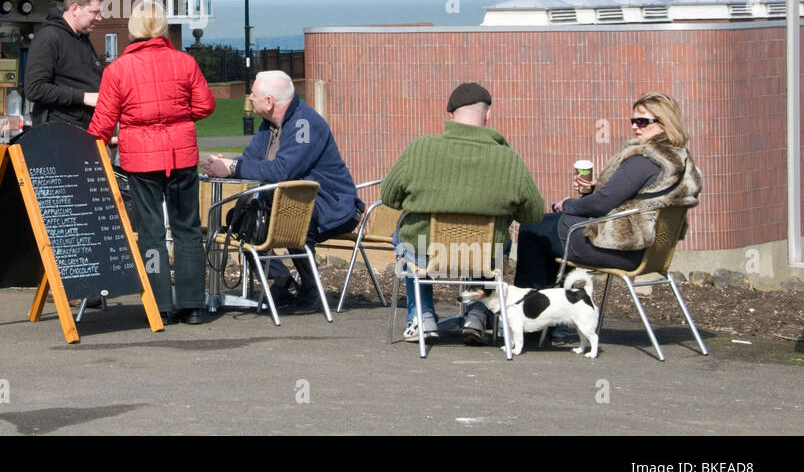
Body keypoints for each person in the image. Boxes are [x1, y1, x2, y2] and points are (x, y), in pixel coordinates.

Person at [379, 82, 544, 344]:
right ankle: (478, 313)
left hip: (426, 253)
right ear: (488, 115)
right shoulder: (509, 159)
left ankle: (422, 316)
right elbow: (534, 214)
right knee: (492, 244)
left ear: (450, 115)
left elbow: (388, 197)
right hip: (484, 255)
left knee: (403, 238)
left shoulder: (419, 150)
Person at [88, 0, 216, 324]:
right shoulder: (184, 62)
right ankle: (193, 306)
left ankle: (160, 305)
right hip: (181, 154)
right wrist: (178, 119)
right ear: (161, 27)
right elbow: (206, 105)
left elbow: (102, 124)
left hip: (141, 159)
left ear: (133, 28)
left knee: (151, 232)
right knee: (187, 229)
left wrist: (90, 151)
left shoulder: (117, 69)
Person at [203, 71, 360, 313]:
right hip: (293, 204)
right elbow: (250, 161)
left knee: (291, 217)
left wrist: (233, 167)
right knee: (240, 218)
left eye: (253, 94)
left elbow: (284, 170)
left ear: (269, 102)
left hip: (332, 205)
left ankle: (312, 290)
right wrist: (223, 165)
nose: (249, 98)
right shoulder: (269, 126)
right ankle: (281, 281)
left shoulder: (304, 125)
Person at [515, 92, 701, 291]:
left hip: (622, 247)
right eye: (633, 121)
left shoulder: (644, 159)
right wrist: (595, 189)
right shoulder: (679, 159)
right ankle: (557, 315)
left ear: (664, 123)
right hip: (651, 251)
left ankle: (529, 309)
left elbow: (601, 204)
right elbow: (639, 197)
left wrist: (567, 204)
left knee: (534, 229)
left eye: (642, 121)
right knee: (552, 227)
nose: (634, 126)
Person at [24, 0, 104, 129]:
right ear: (75, 9)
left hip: (83, 130)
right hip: (58, 133)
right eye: (94, 12)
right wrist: (84, 97)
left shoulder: (83, 39)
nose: (99, 18)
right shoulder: (49, 37)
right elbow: (34, 88)